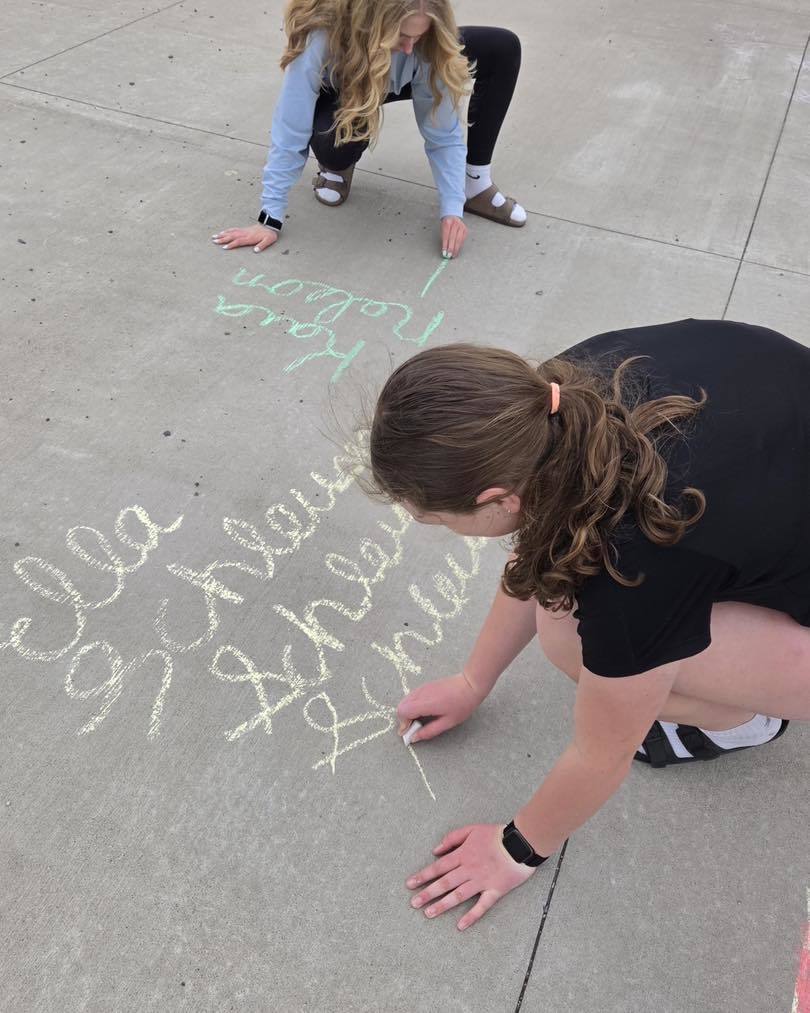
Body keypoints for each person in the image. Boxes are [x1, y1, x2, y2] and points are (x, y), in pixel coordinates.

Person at [365, 318, 810, 931]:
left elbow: (602, 753)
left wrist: (515, 848)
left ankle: (745, 723)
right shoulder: (559, 394)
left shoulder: (637, 558)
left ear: (499, 499)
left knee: (577, 639)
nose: (437, 527)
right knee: (571, 599)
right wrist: (473, 681)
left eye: (437, 519)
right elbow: (542, 547)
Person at [213, 0, 524, 260]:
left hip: (389, 72)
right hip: (349, 83)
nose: (408, 48)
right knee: (332, 141)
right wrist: (270, 218)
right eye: (401, 36)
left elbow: (442, 135)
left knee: (502, 46)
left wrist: (452, 209)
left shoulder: (424, 42)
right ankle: (337, 167)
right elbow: (289, 127)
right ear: (373, 21)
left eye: (418, 36)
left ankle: (475, 184)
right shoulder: (321, 36)